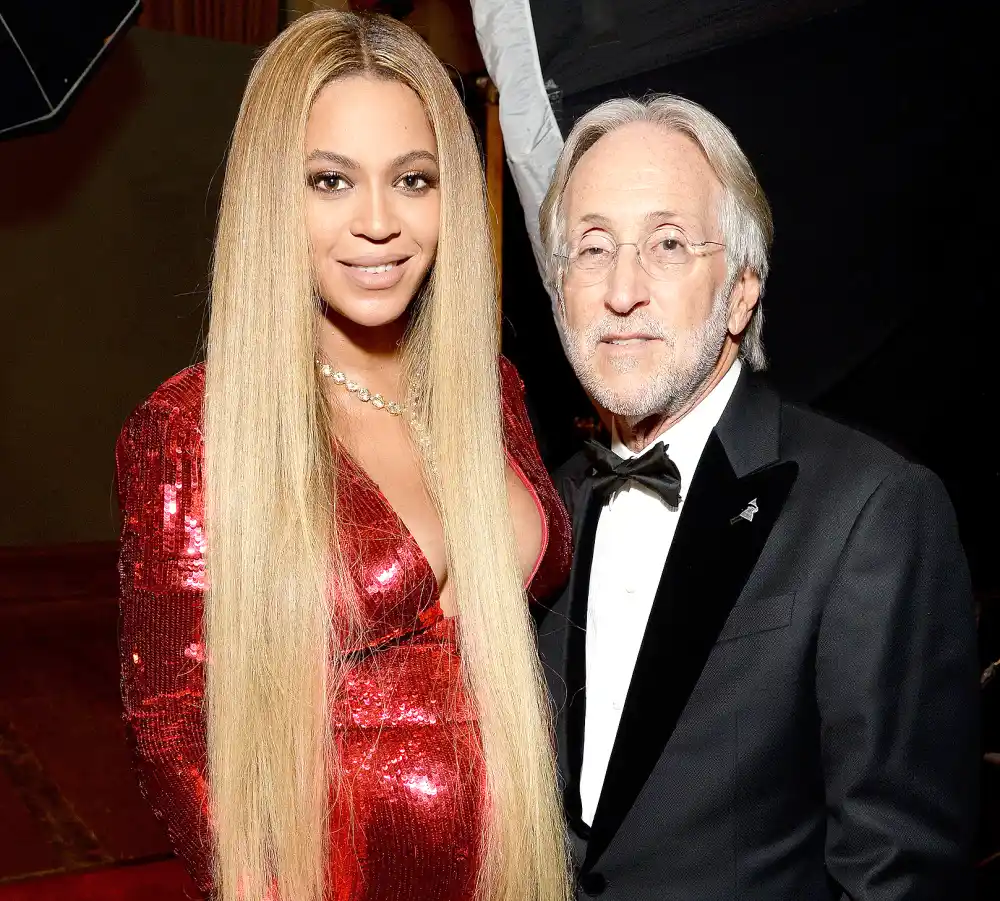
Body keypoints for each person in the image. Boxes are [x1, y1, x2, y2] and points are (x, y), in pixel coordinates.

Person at [115, 11, 572, 901]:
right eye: (331, 180)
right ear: (273, 196)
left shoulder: (491, 389)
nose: (378, 223)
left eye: (412, 179)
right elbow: (175, 731)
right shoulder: (193, 428)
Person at [535, 94, 979, 900]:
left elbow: (900, 877)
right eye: (593, 248)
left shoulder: (870, 511)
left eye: (668, 244)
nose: (622, 289)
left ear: (742, 289)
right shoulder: (538, 508)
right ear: (560, 284)